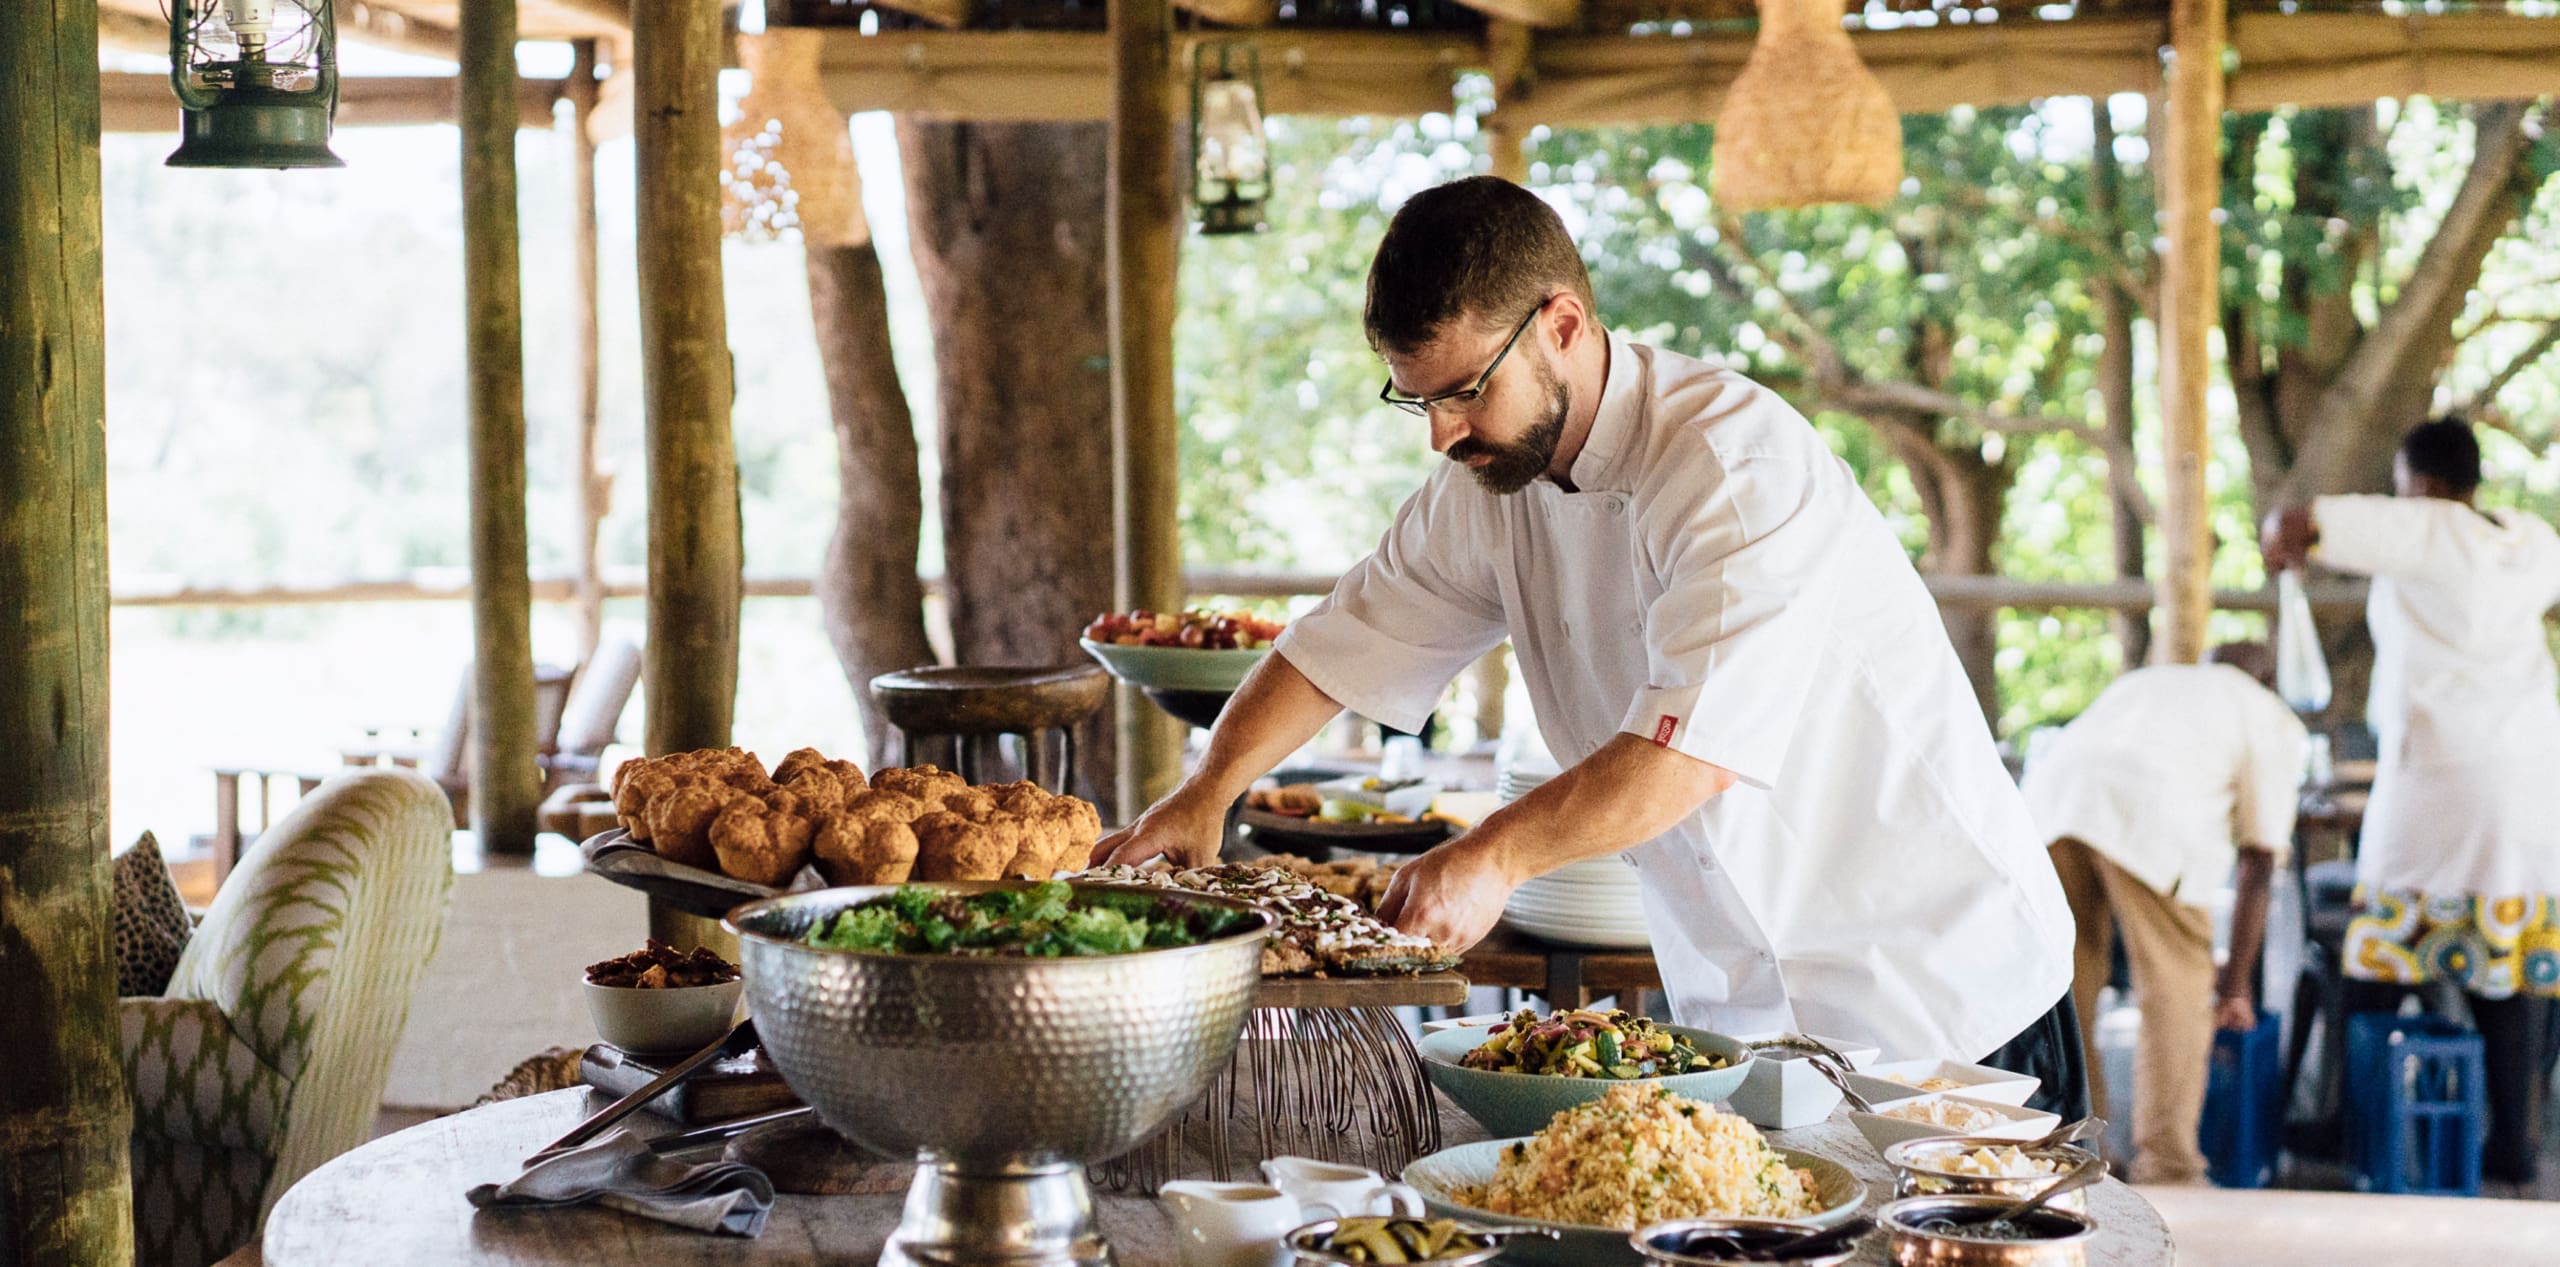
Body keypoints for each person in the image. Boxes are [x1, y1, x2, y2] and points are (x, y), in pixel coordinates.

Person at [1094, 176, 2085, 1116]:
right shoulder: (1483, 487)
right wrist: (1204, 792)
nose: (1441, 434)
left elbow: (1681, 758)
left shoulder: (1730, 465)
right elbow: (1344, 640)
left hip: (1949, 997)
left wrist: (1491, 857)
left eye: (1465, 392)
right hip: (1740, 1017)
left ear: (1561, 325)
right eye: (1418, 399)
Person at [2262, 417, 2560, 1184]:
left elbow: (2296, 522)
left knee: (2380, 939)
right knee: (2503, 962)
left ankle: (2348, 1120)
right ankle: (2515, 1145)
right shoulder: (2531, 539)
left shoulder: (2428, 527)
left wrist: (2283, 540)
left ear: (2420, 482)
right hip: (2529, 776)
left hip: (2441, 771)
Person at [2020, 646, 2306, 1183]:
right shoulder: (2266, 713)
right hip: (2151, 813)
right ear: (2269, 681)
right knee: (2177, 987)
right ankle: (2169, 1167)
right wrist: (2235, 986)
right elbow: (2261, 859)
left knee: (2067, 986)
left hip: (2050, 806)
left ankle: (2072, 1156)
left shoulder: (2153, 682)